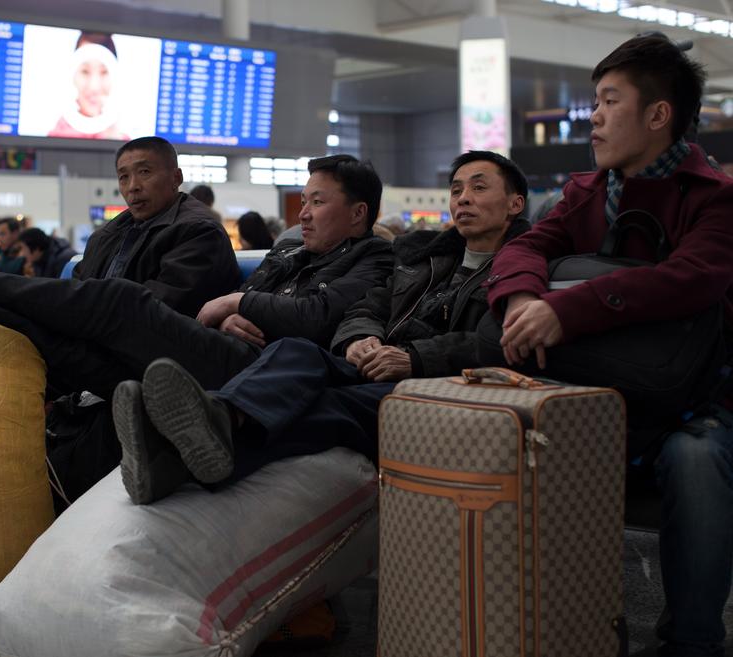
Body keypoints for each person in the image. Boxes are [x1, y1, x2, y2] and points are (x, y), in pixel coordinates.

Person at [0, 147, 393, 501]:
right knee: (72, 353)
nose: (303, 213)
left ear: (357, 214)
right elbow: (247, 307)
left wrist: (238, 302)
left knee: (121, 304)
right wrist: (238, 309)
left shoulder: (374, 259)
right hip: (217, 348)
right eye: (304, 201)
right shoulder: (286, 254)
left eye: (318, 202)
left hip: (259, 370)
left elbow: (315, 317)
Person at [482, 36, 733, 657]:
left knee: (696, 459)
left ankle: (694, 641)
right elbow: (524, 246)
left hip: (695, 397)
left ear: (658, 114)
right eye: (594, 102)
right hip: (595, 389)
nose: (592, 117)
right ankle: (550, 631)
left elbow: (690, 278)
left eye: (608, 101)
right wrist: (521, 297)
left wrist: (566, 309)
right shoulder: (587, 193)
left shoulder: (715, 199)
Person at [109, 150, 529, 505]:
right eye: (456, 189)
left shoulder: (522, 266)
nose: (463, 198)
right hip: (369, 364)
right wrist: (359, 337)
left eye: (478, 188)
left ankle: (187, 447)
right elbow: (369, 306)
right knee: (298, 351)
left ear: (515, 204)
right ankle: (212, 423)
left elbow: (493, 340)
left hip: (432, 382)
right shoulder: (424, 257)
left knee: (320, 407)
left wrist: (414, 358)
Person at [48, 32, 128, 141]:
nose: (93, 87)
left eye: (104, 72)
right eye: (85, 71)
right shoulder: (53, 139)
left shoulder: (126, 143)